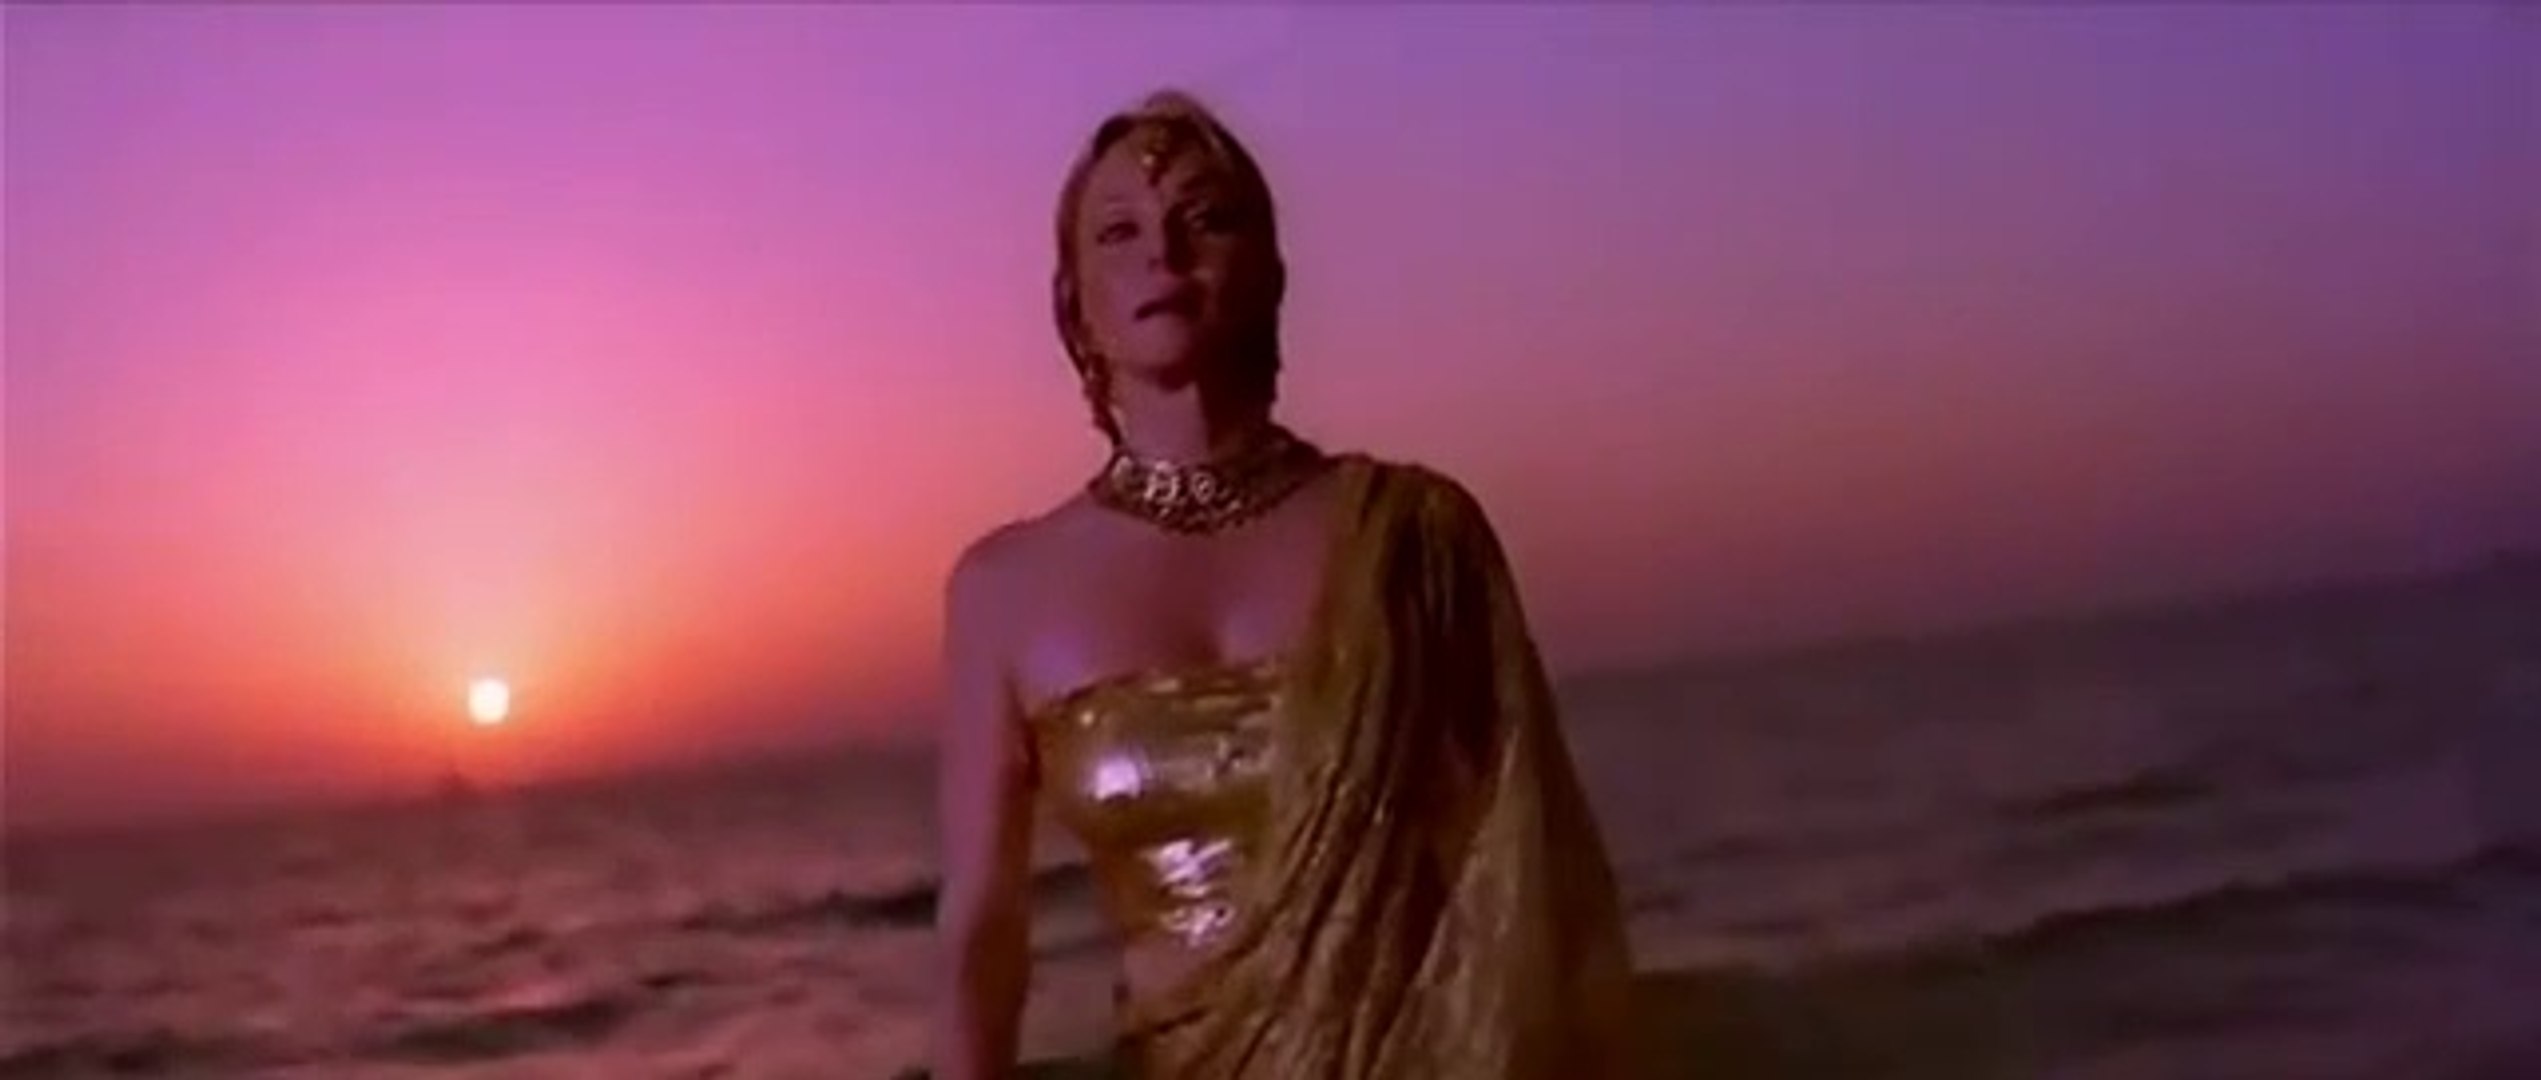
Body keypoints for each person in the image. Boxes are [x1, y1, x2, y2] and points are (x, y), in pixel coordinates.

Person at [932, 89, 1636, 1079]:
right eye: (1119, 233)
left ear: (1269, 270)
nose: (1163, 254)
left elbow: (1533, 867)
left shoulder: (1413, 536)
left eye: (1205, 219)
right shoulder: (1005, 589)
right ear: (1073, 304)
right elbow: (983, 935)